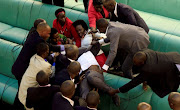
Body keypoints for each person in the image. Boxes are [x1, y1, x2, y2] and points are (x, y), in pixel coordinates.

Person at [109, 49, 180, 98]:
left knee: (169, 85)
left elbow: (134, 82)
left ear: (142, 63)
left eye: (136, 63)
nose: (134, 64)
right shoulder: (143, 52)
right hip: (173, 56)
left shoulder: (148, 69)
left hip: (174, 64)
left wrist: (117, 90)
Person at [18, 42, 52, 109]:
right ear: (44, 53)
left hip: (21, 92)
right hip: (28, 98)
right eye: (48, 51)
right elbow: (51, 74)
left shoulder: (33, 58)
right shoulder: (46, 66)